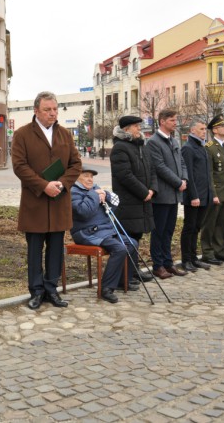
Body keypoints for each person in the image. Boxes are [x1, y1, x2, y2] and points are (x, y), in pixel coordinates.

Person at [12, 91, 81, 309]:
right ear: (36, 111)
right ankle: (36, 291)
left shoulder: (65, 134)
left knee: (55, 250)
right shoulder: (22, 134)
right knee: (34, 250)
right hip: (35, 202)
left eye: (55, 109)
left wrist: (62, 183)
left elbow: (75, 164)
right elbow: (20, 166)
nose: (52, 113)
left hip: (59, 200)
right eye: (47, 110)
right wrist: (44, 185)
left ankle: (52, 289)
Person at [71, 168, 137, 303]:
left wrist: (105, 195)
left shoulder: (96, 189)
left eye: (92, 177)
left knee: (132, 243)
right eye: (86, 176)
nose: (90, 179)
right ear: (77, 178)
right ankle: (105, 288)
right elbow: (84, 212)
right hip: (86, 232)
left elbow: (114, 205)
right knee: (119, 248)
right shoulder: (73, 192)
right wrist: (95, 195)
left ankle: (122, 281)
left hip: (105, 230)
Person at [110, 115, 156, 282]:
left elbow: (151, 170)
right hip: (129, 202)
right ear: (126, 129)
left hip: (142, 200)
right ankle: (125, 275)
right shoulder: (120, 148)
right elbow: (125, 176)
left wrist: (152, 189)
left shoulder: (141, 146)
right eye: (136, 126)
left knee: (136, 236)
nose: (139, 129)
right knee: (128, 238)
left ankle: (134, 270)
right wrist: (144, 192)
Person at [145, 109, 189, 279]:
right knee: (159, 231)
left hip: (175, 194)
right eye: (172, 120)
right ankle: (158, 265)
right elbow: (159, 167)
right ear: (162, 121)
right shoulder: (153, 142)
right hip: (162, 195)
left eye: (175, 119)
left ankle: (168, 263)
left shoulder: (174, 140)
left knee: (169, 230)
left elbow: (182, 162)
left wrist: (184, 178)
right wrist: (178, 182)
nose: (175, 123)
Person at [200, 115, 224, 264]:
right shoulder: (209, 148)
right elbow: (209, 174)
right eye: (223, 126)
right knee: (210, 224)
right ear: (215, 130)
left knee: (223, 223)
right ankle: (207, 253)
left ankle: (219, 250)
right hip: (216, 192)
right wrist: (213, 194)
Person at [180, 119, 214, 272]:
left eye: (205, 129)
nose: (204, 131)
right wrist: (193, 195)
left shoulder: (202, 147)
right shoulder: (188, 148)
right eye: (201, 129)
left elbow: (207, 174)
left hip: (204, 195)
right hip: (193, 197)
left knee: (197, 228)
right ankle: (186, 259)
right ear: (192, 130)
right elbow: (189, 175)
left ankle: (194, 258)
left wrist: (210, 194)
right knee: (189, 228)